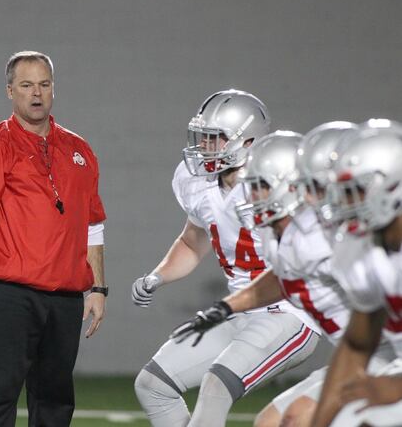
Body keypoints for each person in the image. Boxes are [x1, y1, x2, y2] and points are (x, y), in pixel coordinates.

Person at [167, 127, 396, 427]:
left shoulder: (355, 247)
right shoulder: (299, 236)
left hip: (389, 357)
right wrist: (227, 307)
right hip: (365, 352)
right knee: (275, 421)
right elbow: (287, 276)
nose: (328, 199)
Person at [131, 90, 320, 427]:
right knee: (153, 385)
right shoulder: (200, 185)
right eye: (203, 138)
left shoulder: (274, 185)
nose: (204, 147)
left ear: (249, 142)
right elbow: (192, 243)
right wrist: (157, 276)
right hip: (238, 308)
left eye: (215, 139)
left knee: (216, 386)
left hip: (288, 312)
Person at [0, 50, 107, 426]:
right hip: (7, 296)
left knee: (55, 403)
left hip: (66, 298)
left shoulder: (79, 149)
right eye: (26, 85)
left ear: (54, 89)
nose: (36, 93)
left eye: (44, 84)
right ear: (9, 91)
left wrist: (98, 288)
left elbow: (92, 224)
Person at [310, 119, 402, 427]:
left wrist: (398, 386)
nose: (344, 204)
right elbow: (356, 345)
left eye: (355, 192)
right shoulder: (361, 249)